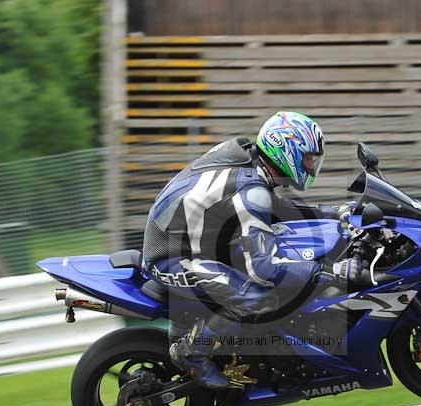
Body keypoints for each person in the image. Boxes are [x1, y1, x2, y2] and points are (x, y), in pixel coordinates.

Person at [141, 111, 359, 389]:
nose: (310, 165)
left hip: (195, 240)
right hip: (173, 255)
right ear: (286, 150)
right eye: (307, 158)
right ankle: (190, 352)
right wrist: (330, 271)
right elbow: (264, 269)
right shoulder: (251, 189)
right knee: (257, 298)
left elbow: (276, 208)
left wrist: (333, 213)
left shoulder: (248, 158)